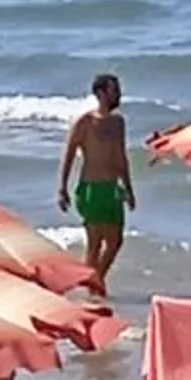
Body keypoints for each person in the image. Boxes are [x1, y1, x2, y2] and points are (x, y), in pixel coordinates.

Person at [58, 72, 135, 291]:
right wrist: (62, 188)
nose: (118, 95)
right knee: (95, 243)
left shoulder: (118, 123)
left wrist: (128, 188)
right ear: (101, 93)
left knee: (116, 241)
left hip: (113, 189)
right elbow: (70, 154)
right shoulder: (85, 122)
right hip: (92, 189)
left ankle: (95, 280)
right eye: (114, 90)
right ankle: (93, 288)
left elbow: (121, 157)